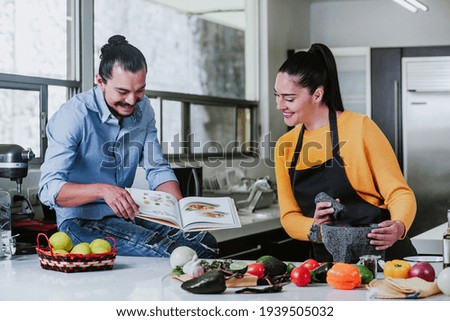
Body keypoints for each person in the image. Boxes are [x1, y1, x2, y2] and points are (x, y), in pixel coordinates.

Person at [38, 35, 218, 258]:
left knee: (204, 242)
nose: (132, 101)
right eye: (122, 92)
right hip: (80, 222)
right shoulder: (74, 116)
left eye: (140, 90)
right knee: (172, 252)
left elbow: (158, 168)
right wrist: (102, 190)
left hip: (127, 214)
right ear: (100, 81)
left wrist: (181, 211)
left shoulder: (144, 110)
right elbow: (48, 189)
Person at [274, 43, 417, 262]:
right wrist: (314, 226)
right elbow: (289, 216)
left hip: (383, 257)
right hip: (331, 265)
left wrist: (399, 225)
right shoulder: (286, 146)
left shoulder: (360, 127)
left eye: (289, 98)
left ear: (317, 94)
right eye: (277, 96)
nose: (279, 105)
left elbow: (400, 193)